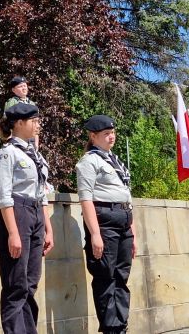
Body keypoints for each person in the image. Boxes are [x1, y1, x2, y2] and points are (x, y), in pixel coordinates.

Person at [0, 102, 53, 334]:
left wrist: (48, 228)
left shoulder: (34, 154)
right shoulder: (7, 153)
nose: (38, 125)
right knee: (15, 284)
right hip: (17, 214)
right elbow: (4, 196)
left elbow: (42, 192)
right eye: (34, 121)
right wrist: (13, 233)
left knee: (30, 283)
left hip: (36, 214)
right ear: (19, 123)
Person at [76, 115, 136, 334]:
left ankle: (121, 326)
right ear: (93, 136)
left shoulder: (114, 161)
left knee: (121, 277)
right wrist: (95, 234)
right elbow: (86, 199)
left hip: (124, 222)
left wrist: (133, 233)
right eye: (106, 134)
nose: (112, 137)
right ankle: (111, 328)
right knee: (105, 277)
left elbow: (127, 198)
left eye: (113, 133)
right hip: (105, 223)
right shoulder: (89, 161)